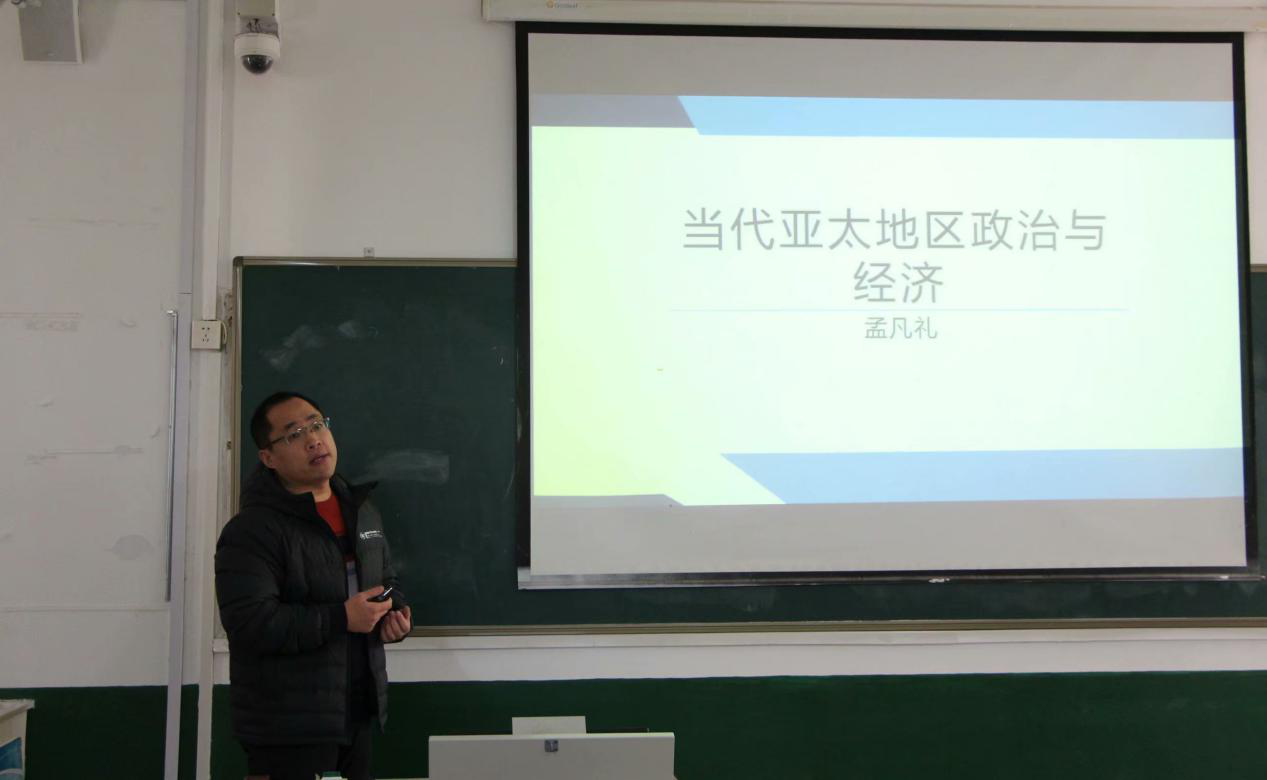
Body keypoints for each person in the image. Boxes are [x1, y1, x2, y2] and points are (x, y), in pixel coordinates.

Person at [215, 391, 412, 780]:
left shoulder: (362, 511)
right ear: (268, 458)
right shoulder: (251, 531)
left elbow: (385, 581)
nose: (313, 439)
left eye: (318, 424)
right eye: (294, 434)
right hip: (287, 727)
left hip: (357, 710)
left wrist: (394, 615)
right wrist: (342, 618)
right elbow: (250, 623)